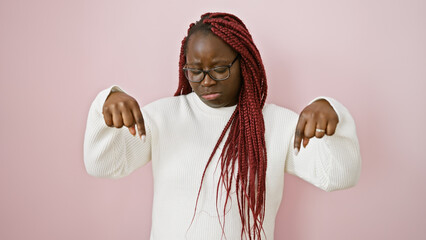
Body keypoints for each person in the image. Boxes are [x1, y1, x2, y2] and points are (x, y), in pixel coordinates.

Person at [84, 12, 361, 240]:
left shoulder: (278, 124)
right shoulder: (162, 117)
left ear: (245, 63)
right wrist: (104, 104)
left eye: (219, 69)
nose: (206, 81)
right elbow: (103, 165)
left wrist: (332, 112)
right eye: (195, 70)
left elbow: (337, 177)